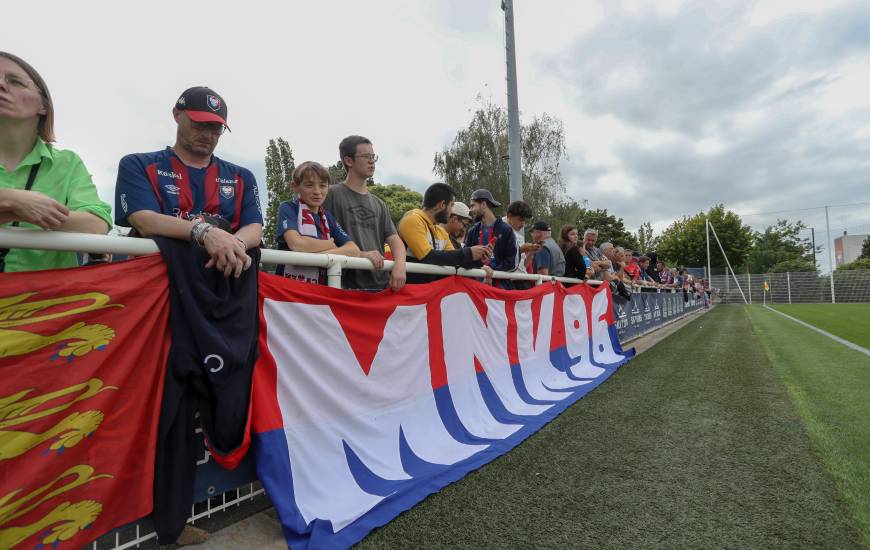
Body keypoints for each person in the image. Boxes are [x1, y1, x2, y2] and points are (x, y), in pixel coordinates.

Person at [114, 86, 263, 278]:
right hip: (157, 284)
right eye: (199, 124)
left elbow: (254, 228)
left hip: (225, 284)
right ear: (177, 114)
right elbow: (144, 220)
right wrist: (205, 233)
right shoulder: (138, 165)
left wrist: (235, 245)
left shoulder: (243, 177)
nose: (207, 135)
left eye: (216, 128)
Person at [0, 52, 112, 272]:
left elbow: (95, 225)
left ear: (43, 106)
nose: (1, 86)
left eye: (14, 81)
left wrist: (17, 211)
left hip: (42, 303)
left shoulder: (68, 163)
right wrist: (11, 200)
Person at [322, 135, 406, 291]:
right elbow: (321, 238)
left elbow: (395, 240)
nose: (371, 161)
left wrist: (400, 265)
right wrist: (360, 254)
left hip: (380, 286)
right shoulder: (329, 194)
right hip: (342, 285)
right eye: (366, 156)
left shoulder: (379, 203)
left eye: (373, 157)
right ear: (348, 161)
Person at [276, 161, 359, 284]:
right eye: (309, 185)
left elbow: (353, 250)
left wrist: (315, 255)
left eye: (322, 185)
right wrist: (329, 244)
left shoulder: (328, 217)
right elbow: (297, 244)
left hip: (320, 290)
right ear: (294, 186)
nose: (317, 191)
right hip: (289, 289)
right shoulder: (288, 208)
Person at [398, 183, 489, 284]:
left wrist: (477, 260)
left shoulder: (440, 231)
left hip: (428, 294)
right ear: (442, 205)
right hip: (408, 293)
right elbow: (428, 257)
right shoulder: (412, 219)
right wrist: (469, 253)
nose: (452, 210)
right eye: (452, 205)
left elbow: (454, 261)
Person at [464, 189, 517, 289]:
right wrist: (481, 268)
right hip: (474, 289)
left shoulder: (506, 230)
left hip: (499, 289)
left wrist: (491, 271)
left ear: (483, 204)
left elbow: (512, 263)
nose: (470, 210)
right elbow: (465, 259)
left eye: (472, 205)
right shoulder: (472, 231)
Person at [503, 200, 538, 289]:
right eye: (521, 220)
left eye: (525, 221)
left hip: (522, 281)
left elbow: (523, 267)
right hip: (508, 283)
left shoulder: (519, 236)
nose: (523, 224)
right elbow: (499, 260)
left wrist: (531, 253)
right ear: (509, 216)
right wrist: (521, 250)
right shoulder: (498, 230)